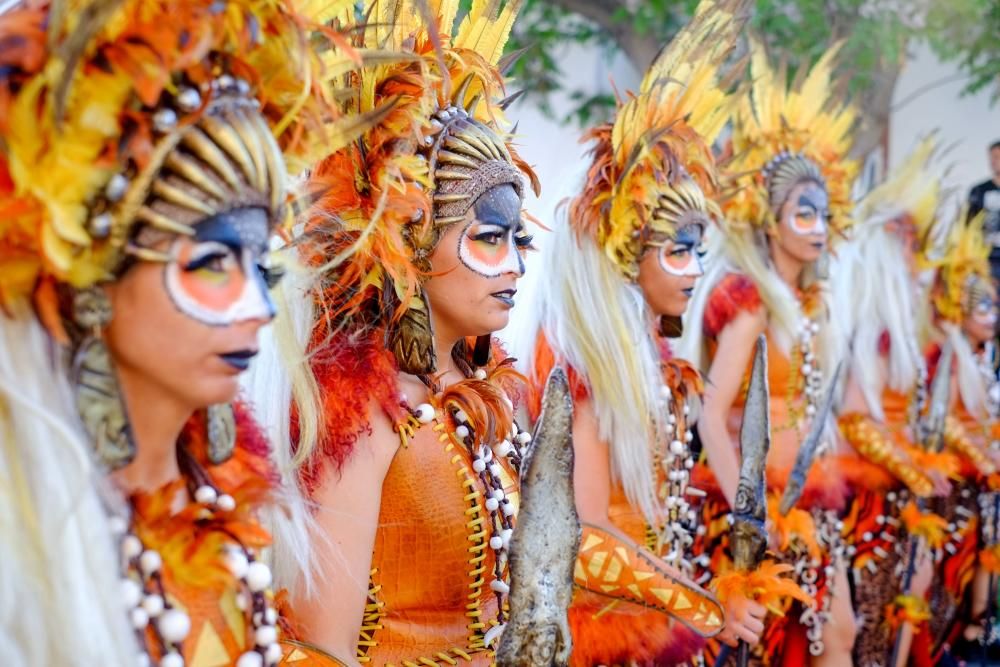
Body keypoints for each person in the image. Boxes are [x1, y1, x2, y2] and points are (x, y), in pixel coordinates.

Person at [0, 1, 360, 664]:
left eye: (259, 265)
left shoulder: (225, 505)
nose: (260, 307)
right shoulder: (24, 545)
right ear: (94, 278)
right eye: (211, 263)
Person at [252, 1, 544, 664]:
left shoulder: (484, 388)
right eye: (490, 240)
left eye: (518, 240)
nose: (517, 265)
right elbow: (320, 648)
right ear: (411, 239)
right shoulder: (363, 408)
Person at [518, 1, 769, 664]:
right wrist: (703, 607)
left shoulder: (642, 352)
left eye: (699, 249)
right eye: (678, 250)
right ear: (628, 252)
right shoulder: (578, 360)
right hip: (598, 636)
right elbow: (585, 534)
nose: (695, 270)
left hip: (652, 616)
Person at [679, 43, 859, 666]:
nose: (816, 225)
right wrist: (750, 516)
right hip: (753, 511)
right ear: (771, 218)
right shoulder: (748, 297)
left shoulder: (807, 303)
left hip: (807, 504)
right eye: (802, 212)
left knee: (836, 635)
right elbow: (711, 415)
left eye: (824, 214)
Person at [831, 137, 952, 667]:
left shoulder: (897, 322)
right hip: (868, 500)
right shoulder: (874, 322)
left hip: (894, 494)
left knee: (906, 604)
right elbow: (856, 418)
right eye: (908, 242)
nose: (915, 257)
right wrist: (914, 470)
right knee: (870, 624)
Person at [922, 218, 1000, 664]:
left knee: (983, 557)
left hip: (982, 483)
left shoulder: (980, 356)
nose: (991, 317)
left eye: (993, 307)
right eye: (983, 308)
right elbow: (947, 421)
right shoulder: (949, 354)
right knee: (949, 573)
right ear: (962, 311)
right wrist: (982, 459)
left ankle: (976, 630)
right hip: (955, 484)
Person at [968, 141, 1000, 285]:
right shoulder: (978, 191)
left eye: (999, 156)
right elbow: (967, 227)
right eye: (992, 157)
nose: (995, 161)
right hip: (985, 261)